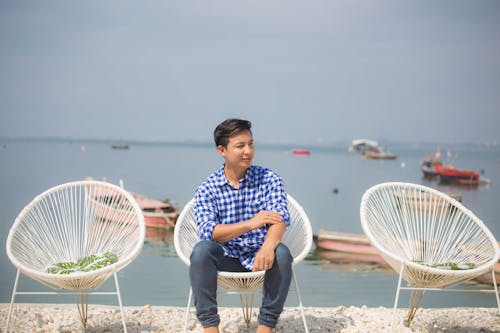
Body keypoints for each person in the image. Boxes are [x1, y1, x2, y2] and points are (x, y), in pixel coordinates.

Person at [190, 118, 293, 333]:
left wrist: (267, 247)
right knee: (201, 251)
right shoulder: (207, 188)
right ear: (222, 150)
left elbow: (279, 218)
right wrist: (250, 223)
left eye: (251, 144)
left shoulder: (269, 179)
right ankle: (210, 328)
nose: (248, 151)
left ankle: (265, 327)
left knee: (282, 253)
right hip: (225, 257)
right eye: (240, 146)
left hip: (261, 257)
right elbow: (209, 231)